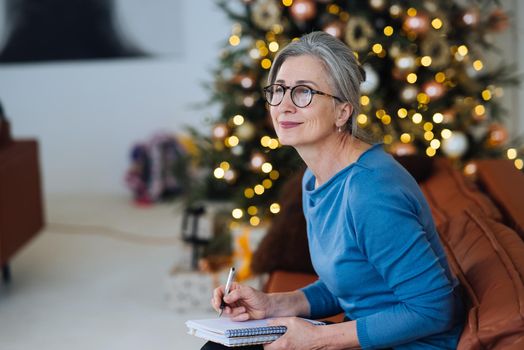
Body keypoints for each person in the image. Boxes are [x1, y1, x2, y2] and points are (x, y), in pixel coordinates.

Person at [202, 31, 464, 350]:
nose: (284, 105)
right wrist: (271, 304)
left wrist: (318, 339)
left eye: (303, 93)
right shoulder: (314, 179)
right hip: (361, 334)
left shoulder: (371, 191)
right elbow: (347, 287)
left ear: (343, 111)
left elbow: (435, 310)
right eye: (279, 90)